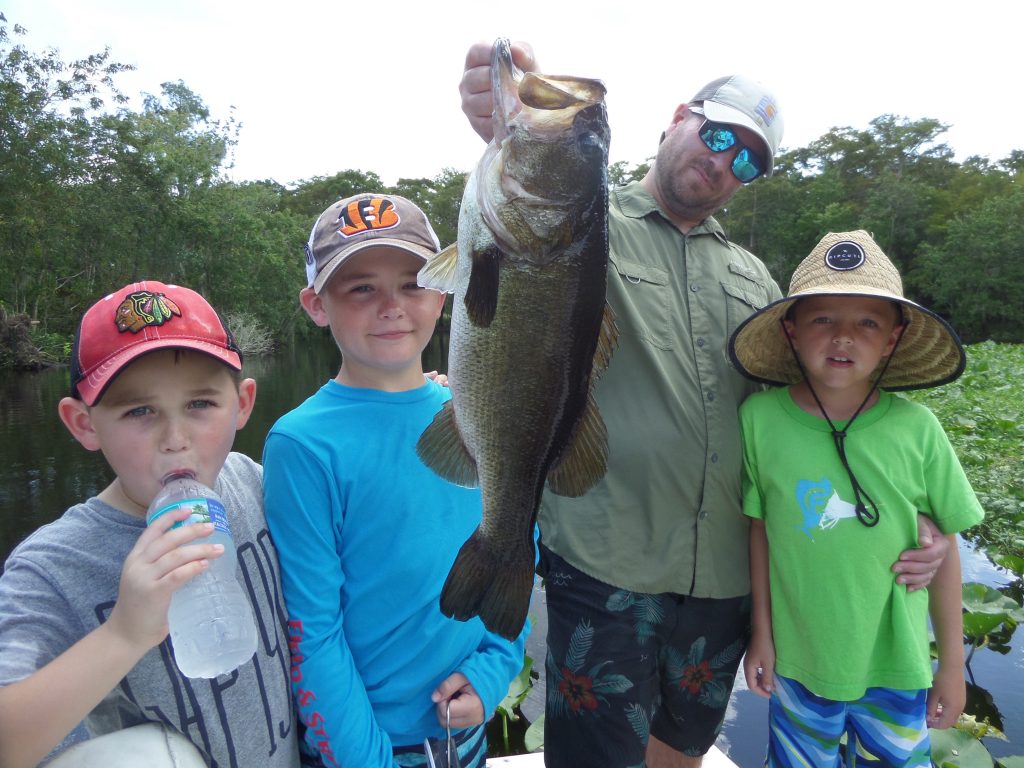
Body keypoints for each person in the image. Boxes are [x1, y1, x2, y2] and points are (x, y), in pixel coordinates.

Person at [458, 42, 951, 768]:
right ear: (678, 118)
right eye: (718, 135)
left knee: (682, 749)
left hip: (724, 579)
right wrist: (501, 121)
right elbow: (524, 234)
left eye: (747, 160)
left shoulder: (757, 279)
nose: (724, 163)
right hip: (606, 562)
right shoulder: (583, 221)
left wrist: (921, 527)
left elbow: (814, 419)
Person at [262, 193, 529, 768]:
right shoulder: (302, 444)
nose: (392, 307)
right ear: (316, 304)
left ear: (445, 291)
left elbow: (514, 552)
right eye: (361, 288)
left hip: (465, 738)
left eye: (413, 283)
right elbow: (313, 632)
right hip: (366, 749)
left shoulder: (482, 415)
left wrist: (492, 670)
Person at [0, 280, 299, 768]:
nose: (175, 439)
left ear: (243, 403)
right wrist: (123, 634)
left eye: (200, 404)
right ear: (83, 424)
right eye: (139, 411)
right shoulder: (52, 568)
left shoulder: (253, 483)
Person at [729, 230, 981, 766]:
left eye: (867, 323)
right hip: (798, 663)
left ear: (892, 339)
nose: (843, 337)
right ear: (792, 332)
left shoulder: (918, 428)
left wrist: (951, 666)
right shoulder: (759, 420)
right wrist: (761, 634)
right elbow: (760, 532)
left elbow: (947, 549)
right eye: (823, 319)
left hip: (897, 667)